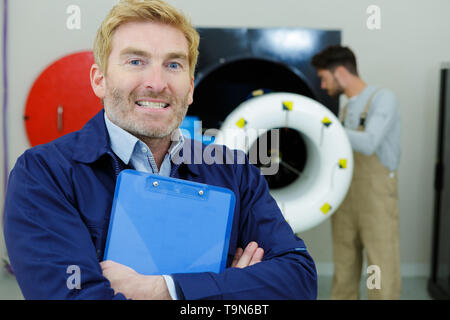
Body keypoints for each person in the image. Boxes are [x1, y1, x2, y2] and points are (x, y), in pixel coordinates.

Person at [3, 0, 317, 300]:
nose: (156, 83)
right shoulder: (44, 175)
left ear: (190, 87)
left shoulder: (234, 170)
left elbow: (299, 281)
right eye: (136, 61)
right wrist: (230, 288)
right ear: (100, 80)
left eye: (173, 64)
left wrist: (165, 290)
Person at [311, 45, 402, 300]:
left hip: (376, 197)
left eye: (324, 77)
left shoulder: (383, 99)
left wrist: (323, 126)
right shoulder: (347, 107)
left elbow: (370, 142)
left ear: (340, 72)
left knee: (380, 265)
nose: (323, 84)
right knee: (344, 264)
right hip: (345, 195)